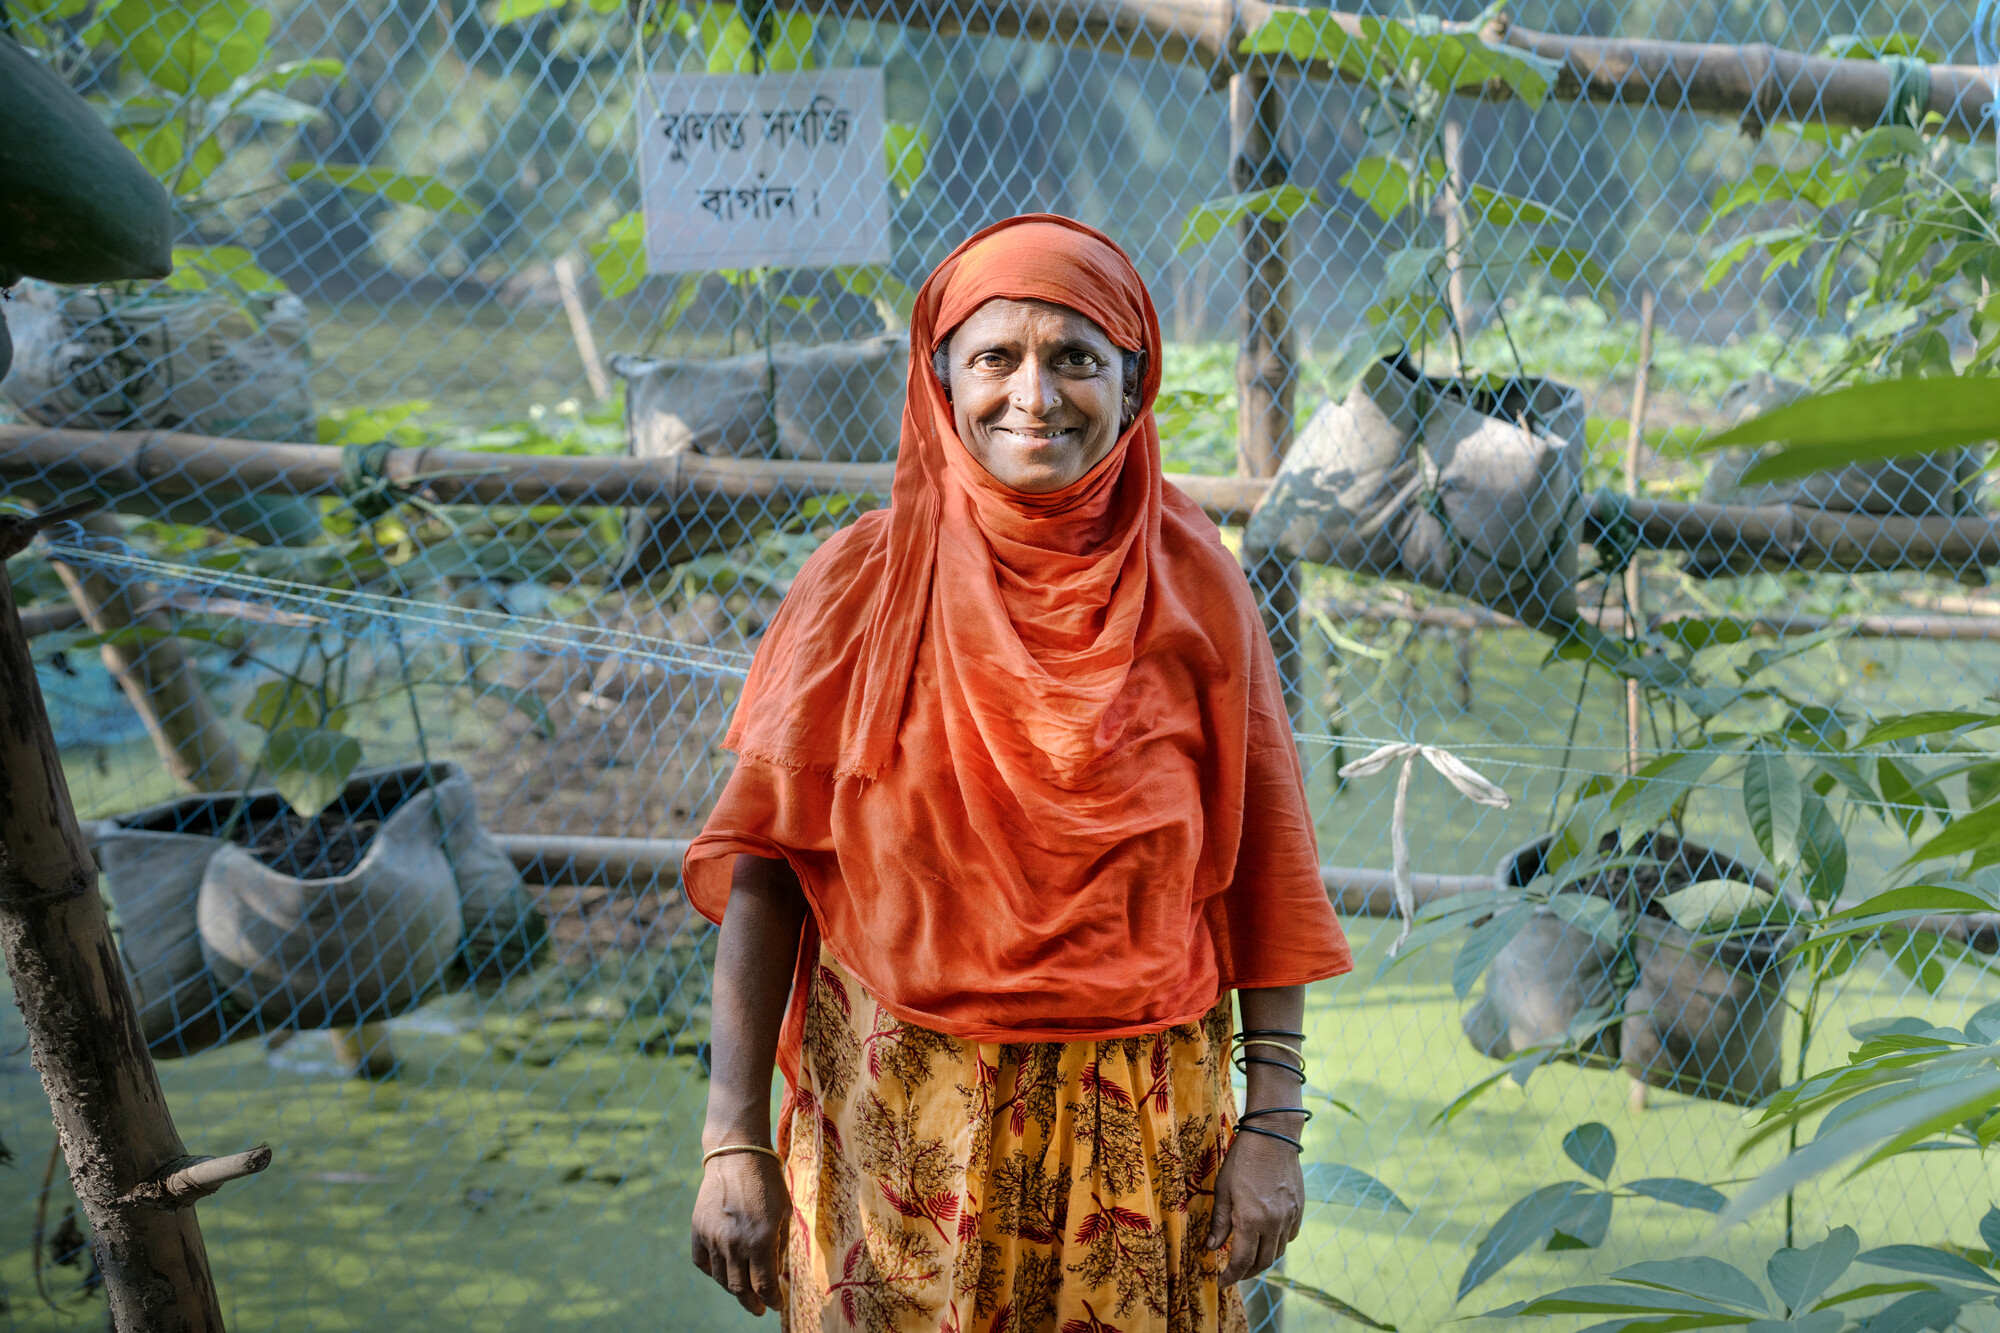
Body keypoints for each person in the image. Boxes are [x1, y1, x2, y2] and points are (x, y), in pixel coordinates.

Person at [683, 214, 1352, 1332]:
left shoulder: (1195, 589)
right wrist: (730, 1140)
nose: (1032, 395)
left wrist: (1272, 1125)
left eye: (1075, 359)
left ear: (1131, 388)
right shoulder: (859, 584)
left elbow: (1262, 876)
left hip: (1140, 1143)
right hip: (898, 1141)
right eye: (996, 356)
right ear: (940, 378)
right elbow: (766, 872)